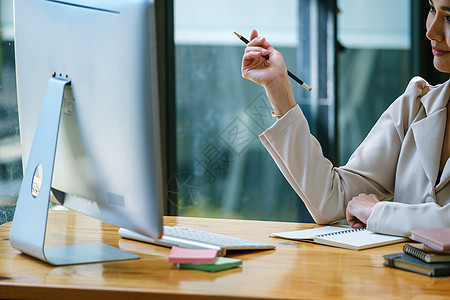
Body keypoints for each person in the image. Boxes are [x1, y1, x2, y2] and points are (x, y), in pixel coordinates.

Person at [241, 0, 450, 237]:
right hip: (403, 273)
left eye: (449, 17)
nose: (431, 31)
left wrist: (377, 213)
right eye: (432, 9)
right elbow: (331, 200)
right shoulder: (415, 106)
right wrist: (278, 89)